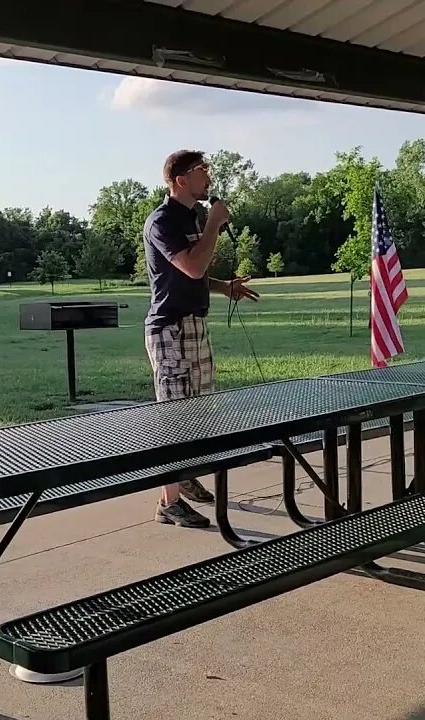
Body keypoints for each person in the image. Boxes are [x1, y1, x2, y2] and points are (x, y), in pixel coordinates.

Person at [142, 149, 260, 528]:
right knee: (173, 418)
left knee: (198, 414)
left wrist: (224, 287)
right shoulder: (161, 221)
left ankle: (185, 476)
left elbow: (187, 272)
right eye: (201, 170)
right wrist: (213, 224)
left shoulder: (190, 217)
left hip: (194, 324)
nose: (208, 176)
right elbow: (191, 266)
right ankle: (167, 503)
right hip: (169, 329)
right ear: (180, 180)